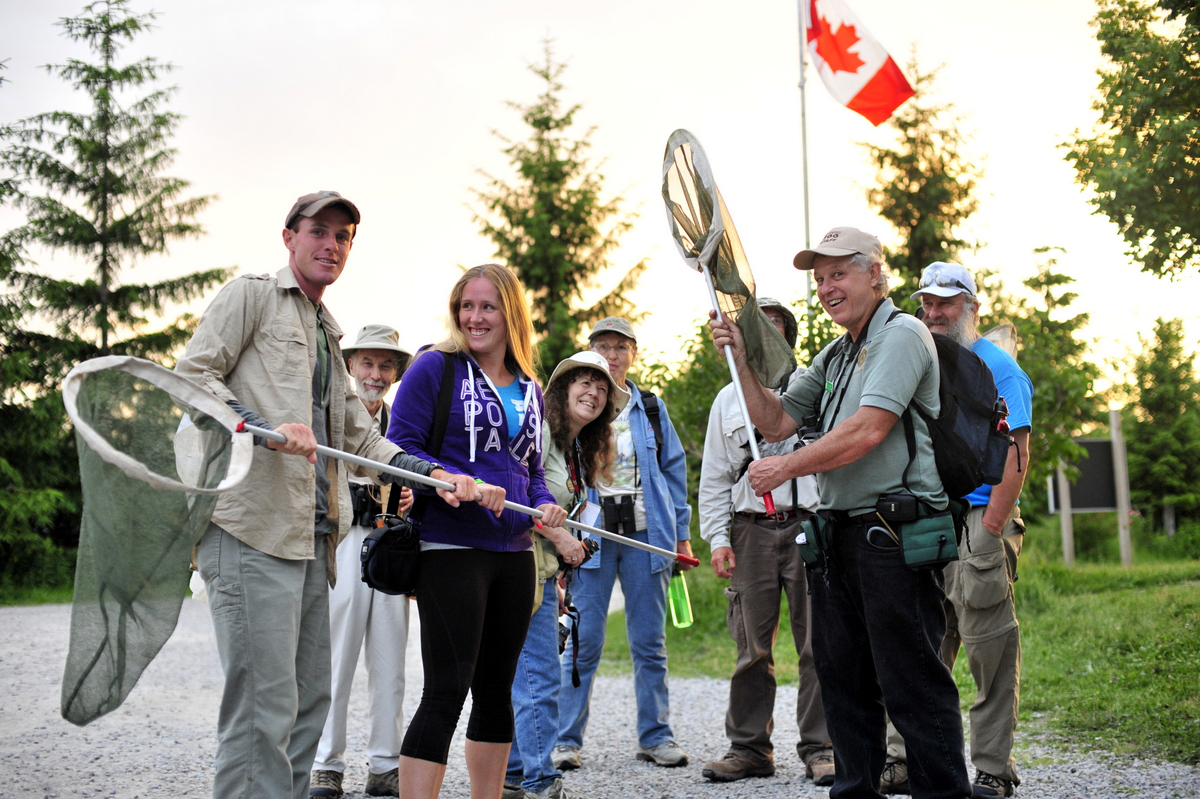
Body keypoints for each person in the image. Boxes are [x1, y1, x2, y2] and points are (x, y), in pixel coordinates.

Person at [176, 191, 483, 799]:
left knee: (307, 704)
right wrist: (260, 428)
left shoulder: (326, 330)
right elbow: (192, 378)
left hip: (313, 542)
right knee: (263, 707)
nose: (332, 245)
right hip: (248, 530)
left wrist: (434, 476)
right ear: (289, 237)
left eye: (344, 236)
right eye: (320, 231)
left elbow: (365, 440)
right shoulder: (251, 296)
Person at [709, 226, 971, 799]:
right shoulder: (836, 351)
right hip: (838, 537)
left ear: (875, 273)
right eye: (820, 278)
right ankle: (854, 792)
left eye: (839, 274)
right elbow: (776, 422)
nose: (827, 287)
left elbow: (868, 429)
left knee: (911, 681)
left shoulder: (900, 336)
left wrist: (787, 468)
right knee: (843, 680)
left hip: (895, 535)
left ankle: (945, 794)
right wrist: (741, 360)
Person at [388, 264, 568, 799]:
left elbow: (532, 471)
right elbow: (400, 449)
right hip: (450, 546)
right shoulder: (434, 369)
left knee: (496, 691)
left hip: (514, 552)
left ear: (510, 314)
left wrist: (543, 505)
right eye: (466, 306)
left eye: (487, 306)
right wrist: (448, 478)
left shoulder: (532, 387)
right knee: (447, 689)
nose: (474, 317)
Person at [879, 263, 1033, 799]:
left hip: (979, 518)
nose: (935, 313)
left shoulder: (999, 367)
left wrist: (990, 524)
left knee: (988, 641)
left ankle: (993, 767)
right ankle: (903, 759)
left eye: (947, 302)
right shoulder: (923, 359)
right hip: (927, 515)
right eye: (927, 302)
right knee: (920, 640)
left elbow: (1018, 453)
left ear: (971, 306)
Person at [698, 298, 834, 787]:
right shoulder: (725, 401)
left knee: (820, 642)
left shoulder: (815, 391)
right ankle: (750, 747)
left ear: (788, 341)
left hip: (809, 526)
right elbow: (713, 477)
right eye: (756, 330)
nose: (765, 338)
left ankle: (822, 746)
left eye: (775, 331)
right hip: (751, 529)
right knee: (751, 645)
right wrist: (717, 538)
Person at [553, 317, 694, 771]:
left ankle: (656, 737)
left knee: (649, 642)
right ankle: (565, 740)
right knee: (583, 639)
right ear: (589, 353)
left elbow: (673, 472)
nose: (611, 355)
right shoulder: (579, 404)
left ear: (634, 353)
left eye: (620, 347)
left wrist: (681, 536)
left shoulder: (651, 407)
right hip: (592, 538)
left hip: (645, 536)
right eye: (602, 347)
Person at [504, 351, 630, 799]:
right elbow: (519, 496)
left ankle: (515, 774)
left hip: (542, 574)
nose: (593, 394)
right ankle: (540, 779)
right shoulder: (538, 432)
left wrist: (560, 575)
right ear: (561, 390)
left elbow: (570, 512)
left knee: (525, 673)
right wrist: (562, 542)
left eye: (601, 388)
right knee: (539, 673)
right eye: (583, 383)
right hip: (517, 563)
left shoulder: (579, 450)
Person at [311, 325, 414, 799]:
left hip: (389, 544)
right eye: (368, 363)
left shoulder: (403, 422)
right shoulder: (333, 415)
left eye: (386, 365)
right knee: (337, 655)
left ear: (396, 372)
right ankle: (326, 763)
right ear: (350, 366)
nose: (376, 374)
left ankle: (384, 764)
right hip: (346, 539)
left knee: (390, 660)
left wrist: (413, 497)